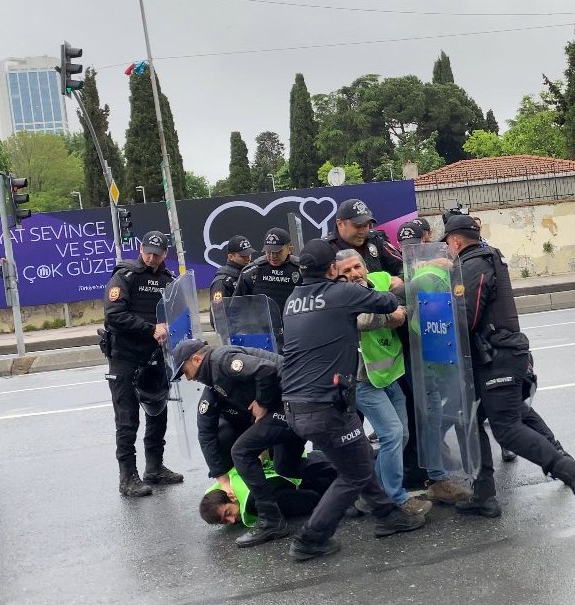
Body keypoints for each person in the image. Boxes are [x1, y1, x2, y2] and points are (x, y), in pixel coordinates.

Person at [442, 214, 575, 521]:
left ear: (456, 241)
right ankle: (484, 495)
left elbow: (468, 317)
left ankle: (574, 474)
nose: (447, 249)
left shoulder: (473, 265)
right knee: (470, 422)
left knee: (507, 429)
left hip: (498, 357)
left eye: (447, 243)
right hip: (493, 357)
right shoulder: (483, 257)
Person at [280, 239, 425, 562]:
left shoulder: (292, 301)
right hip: (327, 406)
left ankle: (388, 515)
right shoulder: (341, 294)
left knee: (357, 462)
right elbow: (386, 303)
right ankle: (311, 538)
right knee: (355, 474)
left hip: (295, 404)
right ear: (332, 269)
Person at [171, 338, 308, 547]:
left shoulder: (220, 361)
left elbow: (266, 369)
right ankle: (341, 477)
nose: (188, 379)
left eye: (185, 372)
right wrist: (222, 477)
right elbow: (205, 432)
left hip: (294, 399)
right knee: (286, 466)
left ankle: (271, 521)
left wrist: (262, 402)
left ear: (197, 359)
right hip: (288, 400)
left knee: (241, 452)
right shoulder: (214, 381)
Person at [335, 249, 433, 516]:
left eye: (357, 267)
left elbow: (394, 281)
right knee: (391, 434)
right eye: (346, 271)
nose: (354, 274)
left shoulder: (375, 280)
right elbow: (363, 321)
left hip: (391, 374)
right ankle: (395, 498)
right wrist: (397, 313)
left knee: (401, 434)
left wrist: (406, 278)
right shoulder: (341, 297)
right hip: (363, 379)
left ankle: (372, 495)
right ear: (337, 276)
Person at [102, 231, 183, 497]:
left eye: (157, 254)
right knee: (127, 420)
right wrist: (150, 329)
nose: (151, 257)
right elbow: (115, 315)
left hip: (156, 357)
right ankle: (127, 478)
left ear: (165, 254)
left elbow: (178, 313)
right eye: (147, 252)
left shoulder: (169, 280)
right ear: (140, 248)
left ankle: (155, 467)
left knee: (157, 412)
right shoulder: (125, 276)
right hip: (125, 357)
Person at [199, 453, 339, 527]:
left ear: (231, 496)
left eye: (228, 513)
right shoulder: (228, 482)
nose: (232, 520)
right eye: (224, 521)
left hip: (321, 476)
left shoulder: (254, 503)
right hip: (309, 460)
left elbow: (312, 500)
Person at [326, 198, 404, 282]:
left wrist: (400, 279)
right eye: (358, 226)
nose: (362, 231)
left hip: (381, 294)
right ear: (340, 224)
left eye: (366, 225)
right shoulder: (326, 249)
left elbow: (403, 266)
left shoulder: (375, 239)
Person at [209, 234, 254, 326]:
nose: (248, 258)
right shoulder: (222, 282)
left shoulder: (251, 273)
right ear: (231, 257)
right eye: (243, 255)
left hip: (254, 328)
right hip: (236, 334)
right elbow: (217, 316)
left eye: (249, 254)